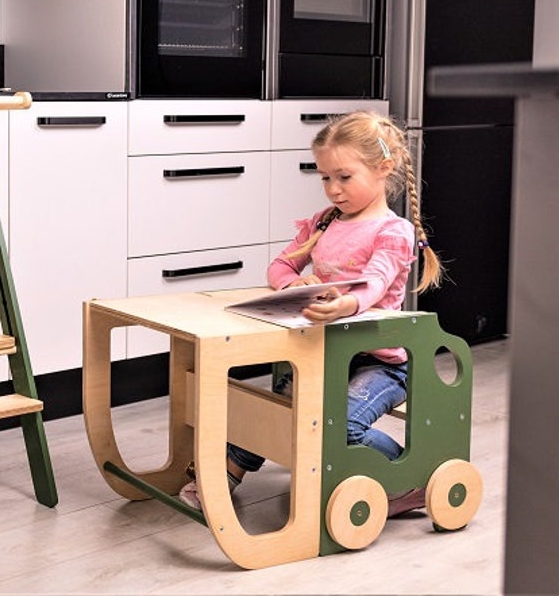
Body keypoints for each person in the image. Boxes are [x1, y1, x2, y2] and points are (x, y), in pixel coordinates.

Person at [179, 110, 444, 517]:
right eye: (324, 178)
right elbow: (280, 267)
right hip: (322, 350)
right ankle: (226, 477)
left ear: (383, 169)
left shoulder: (392, 232)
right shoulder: (324, 222)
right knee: (274, 412)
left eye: (344, 177)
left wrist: (347, 303)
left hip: (380, 362)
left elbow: (375, 283)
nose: (333, 189)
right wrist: (293, 286)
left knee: (340, 423)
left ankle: (409, 477)